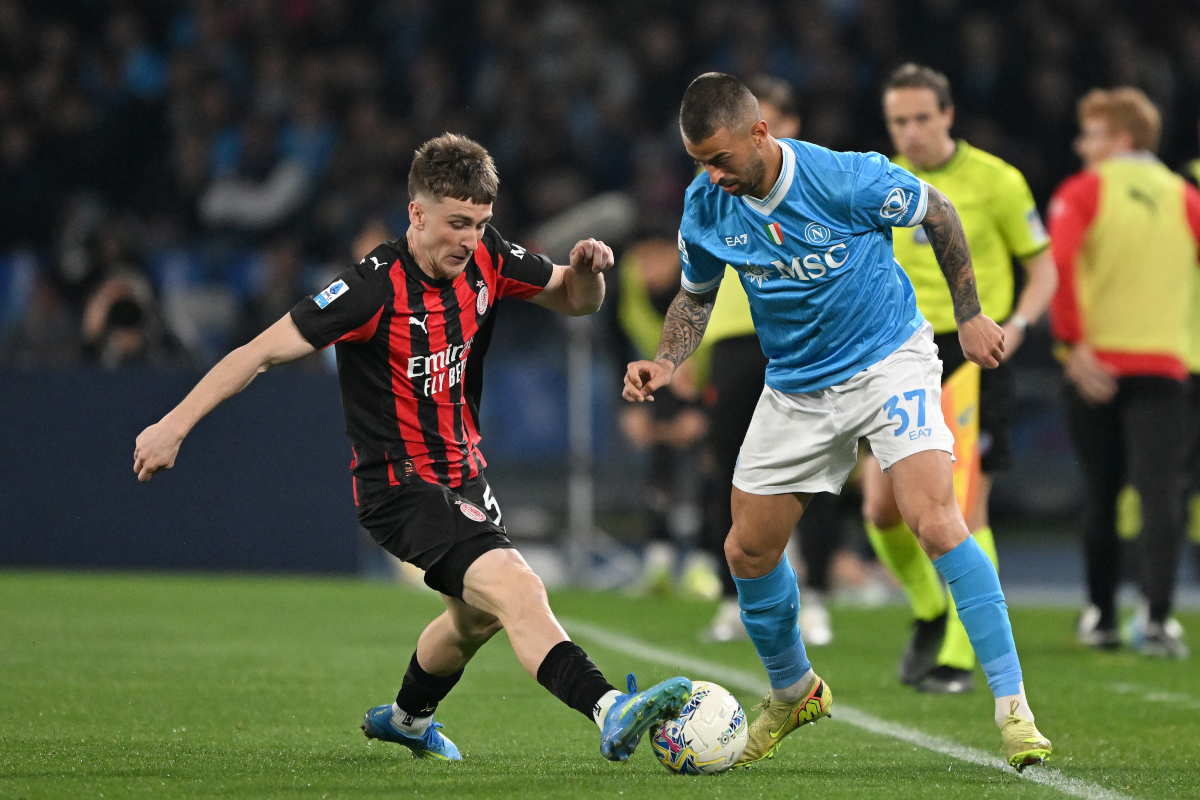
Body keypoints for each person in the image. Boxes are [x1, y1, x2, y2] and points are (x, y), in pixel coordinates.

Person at [134, 133, 691, 761]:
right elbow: (258, 353)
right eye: (456, 223)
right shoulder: (370, 288)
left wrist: (587, 275)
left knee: (473, 620)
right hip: (398, 486)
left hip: (464, 475)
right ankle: (610, 707)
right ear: (417, 214)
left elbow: (574, 301)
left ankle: (406, 718)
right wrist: (174, 424)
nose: (469, 239)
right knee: (519, 588)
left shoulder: (488, 256)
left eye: (480, 224)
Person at [624, 73, 1052, 769]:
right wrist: (666, 361)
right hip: (795, 386)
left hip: (890, 361)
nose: (713, 173)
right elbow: (695, 295)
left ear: (761, 132)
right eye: (699, 160)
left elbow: (937, 211)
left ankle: (1014, 710)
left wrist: (970, 314)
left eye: (722, 157)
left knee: (936, 520)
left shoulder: (845, 178)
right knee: (747, 552)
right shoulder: (707, 203)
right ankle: (795, 691)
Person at [863, 64, 1058, 693]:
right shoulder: (878, 182)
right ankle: (927, 608)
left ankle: (954, 656)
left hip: (973, 354)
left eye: (922, 117)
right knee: (880, 511)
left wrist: (1020, 324)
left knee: (965, 508)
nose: (912, 132)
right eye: (899, 121)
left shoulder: (996, 181)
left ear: (948, 115)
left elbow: (1043, 266)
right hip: (895, 352)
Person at [1049, 89, 1199, 659]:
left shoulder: (1084, 191)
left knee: (1101, 493)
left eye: (1090, 134)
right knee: (1162, 496)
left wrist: (1073, 346)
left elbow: (1059, 265)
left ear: (1121, 139)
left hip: (1097, 364)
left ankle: (1104, 617)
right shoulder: (1187, 197)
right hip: (1164, 364)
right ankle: (1158, 618)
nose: (1080, 145)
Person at [699, 75, 840, 646]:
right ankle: (733, 597)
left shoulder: (821, 178)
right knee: (728, 471)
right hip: (735, 337)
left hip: (808, 337)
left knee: (824, 472)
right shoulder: (718, 185)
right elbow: (696, 274)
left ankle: (820, 595)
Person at [616, 232, 711, 597]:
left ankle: (705, 565)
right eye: (640, 258)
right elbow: (616, 340)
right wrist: (626, 405)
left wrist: (705, 409)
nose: (646, 269)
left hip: (708, 383)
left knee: (713, 467)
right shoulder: (626, 278)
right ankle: (658, 562)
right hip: (658, 382)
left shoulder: (703, 275)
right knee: (657, 465)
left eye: (657, 258)